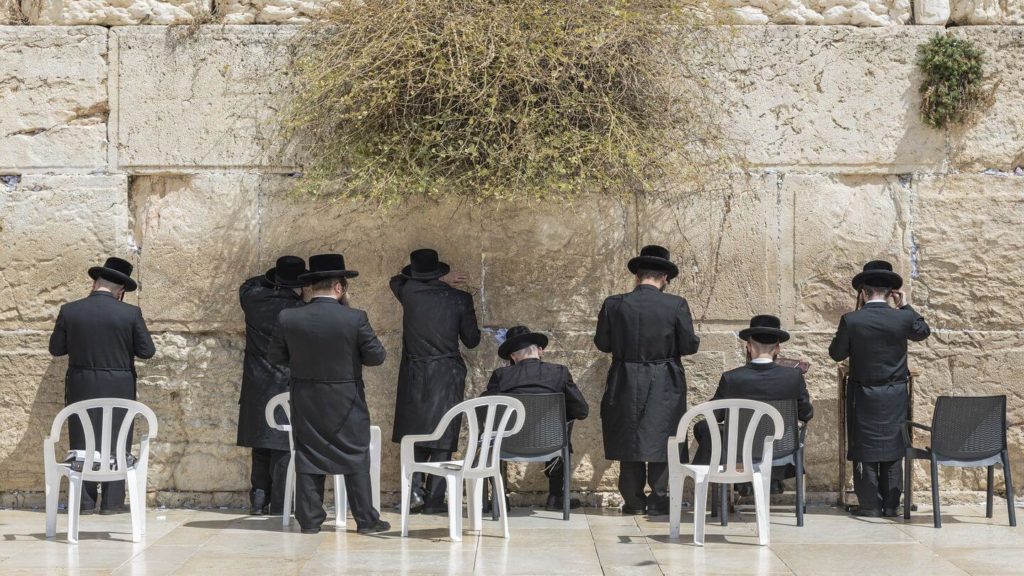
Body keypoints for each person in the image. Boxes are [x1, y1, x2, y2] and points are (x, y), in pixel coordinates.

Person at [267, 253, 389, 534]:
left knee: (308, 454)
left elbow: (275, 356)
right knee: (355, 454)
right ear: (339, 287)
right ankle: (367, 520)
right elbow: (376, 357)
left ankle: (310, 521)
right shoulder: (355, 318)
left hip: (305, 397)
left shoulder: (288, 317)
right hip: (347, 399)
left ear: (311, 286)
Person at [595, 245, 700, 516]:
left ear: (637, 276)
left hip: (624, 376)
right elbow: (689, 345)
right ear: (664, 277)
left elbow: (603, 343)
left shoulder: (613, 304)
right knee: (664, 434)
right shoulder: (675, 304)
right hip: (664, 377)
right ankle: (659, 499)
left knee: (629, 434)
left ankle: (633, 500)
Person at [48, 257, 156, 515]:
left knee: (83, 440)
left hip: (81, 385)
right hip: (119, 386)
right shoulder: (130, 314)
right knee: (117, 441)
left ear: (96, 283)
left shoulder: (70, 310)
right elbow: (147, 351)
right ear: (120, 291)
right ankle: (112, 503)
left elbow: (56, 349)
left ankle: (84, 503)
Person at [829, 260, 930, 518]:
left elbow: (836, 353)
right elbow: (923, 332)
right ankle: (892, 505)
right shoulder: (903, 317)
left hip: (863, 395)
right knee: (893, 447)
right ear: (891, 293)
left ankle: (870, 506)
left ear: (863, 292)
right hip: (896, 394)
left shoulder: (852, 320)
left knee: (865, 446)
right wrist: (905, 305)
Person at [389, 248, 481, 514]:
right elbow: (472, 341)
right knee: (444, 433)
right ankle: (433, 500)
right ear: (441, 272)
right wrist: (445, 284)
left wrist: (433, 280)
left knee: (414, 430)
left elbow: (395, 280)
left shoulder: (409, 293)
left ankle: (414, 492)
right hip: (447, 372)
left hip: (416, 371)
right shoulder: (460, 299)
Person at [692, 315, 813, 495]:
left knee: (703, 427)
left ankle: (737, 478)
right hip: (780, 451)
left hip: (740, 451)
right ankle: (771, 478)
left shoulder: (732, 378)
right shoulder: (793, 377)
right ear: (777, 348)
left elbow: (715, 416)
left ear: (748, 347)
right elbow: (806, 414)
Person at [482, 325, 590, 511]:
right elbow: (581, 410)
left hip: (509, 444)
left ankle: (500, 498)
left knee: (491, 437)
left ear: (513, 357)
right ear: (540, 351)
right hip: (551, 443)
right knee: (563, 428)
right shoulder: (559, 373)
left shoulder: (501, 376)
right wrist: (560, 419)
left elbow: (483, 409)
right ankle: (555, 497)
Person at [236, 255, 307, 515]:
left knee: (261, 441)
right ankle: (279, 503)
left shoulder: (254, 300)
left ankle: (258, 498)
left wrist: (270, 280)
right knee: (282, 443)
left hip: (256, 381)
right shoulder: (299, 310)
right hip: (284, 381)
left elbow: (247, 285)